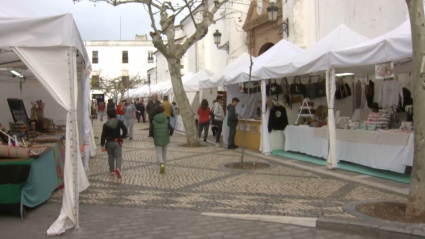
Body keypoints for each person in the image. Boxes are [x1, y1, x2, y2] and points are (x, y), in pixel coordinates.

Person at [100, 109, 128, 178]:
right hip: (117, 141)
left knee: (111, 157)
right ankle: (118, 168)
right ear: (115, 114)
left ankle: (112, 171)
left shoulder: (105, 125)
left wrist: (102, 145)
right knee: (118, 156)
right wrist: (122, 137)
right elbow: (125, 129)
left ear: (108, 115)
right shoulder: (119, 122)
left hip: (109, 142)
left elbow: (103, 135)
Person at [152, 106, 174, 174]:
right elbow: (171, 128)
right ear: (162, 111)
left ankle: (161, 164)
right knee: (164, 152)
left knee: (159, 152)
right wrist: (170, 134)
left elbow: (151, 131)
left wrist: (154, 136)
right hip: (165, 138)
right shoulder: (166, 120)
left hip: (157, 138)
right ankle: (164, 164)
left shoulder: (153, 120)